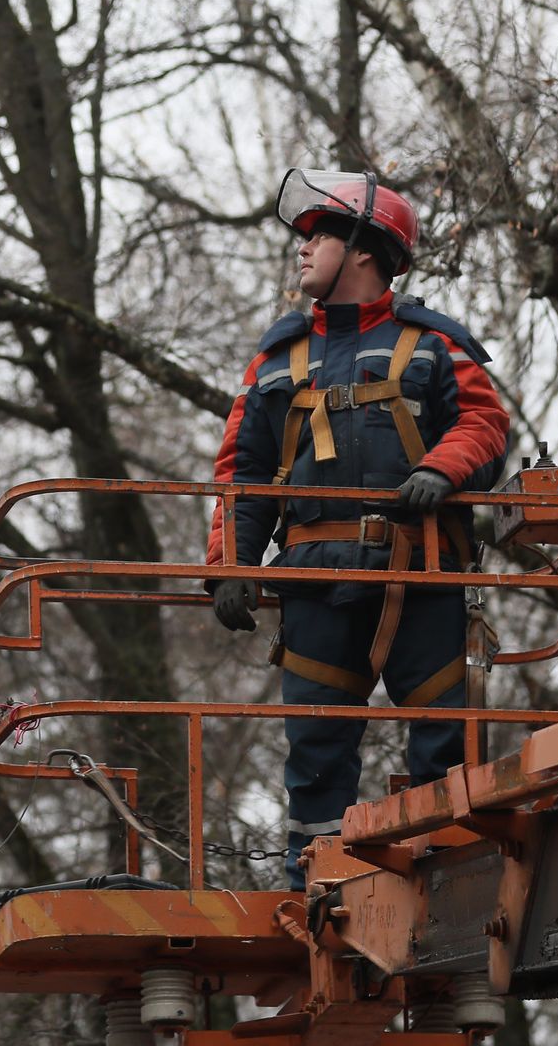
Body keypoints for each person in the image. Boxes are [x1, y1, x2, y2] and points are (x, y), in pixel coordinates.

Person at [205, 169, 511, 887]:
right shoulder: (275, 359)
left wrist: (444, 468)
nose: (301, 252)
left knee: (447, 738)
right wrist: (230, 568)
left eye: (318, 237)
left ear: (365, 249)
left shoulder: (433, 344)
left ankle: (454, 877)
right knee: (314, 752)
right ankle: (319, 883)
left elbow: (485, 423)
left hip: (420, 573)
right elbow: (240, 473)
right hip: (315, 581)